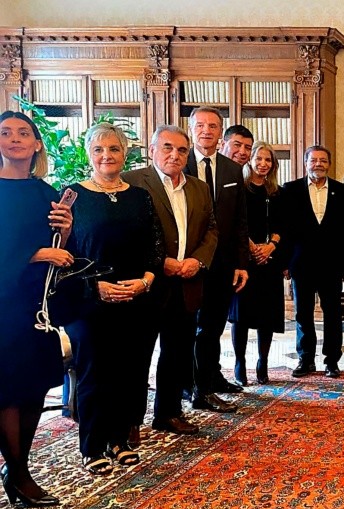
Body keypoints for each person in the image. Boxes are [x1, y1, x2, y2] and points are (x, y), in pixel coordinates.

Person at [64, 122, 162, 475]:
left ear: (125, 154)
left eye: (114, 149)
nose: (107, 155)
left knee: (130, 371)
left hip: (136, 298)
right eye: (99, 149)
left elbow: (155, 245)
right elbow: (66, 256)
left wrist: (146, 281)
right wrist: (95, 287)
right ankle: (92, 446)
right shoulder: (73, 195)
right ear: (89, 154)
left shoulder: (139, 195)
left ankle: (119, 439)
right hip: (90, 301)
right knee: (96, 372)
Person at [122, 125, 217, 436]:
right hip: (148, 284)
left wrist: (198, 261)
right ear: (152, 151)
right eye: (167, 147)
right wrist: (158, 261)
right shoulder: (133, 183)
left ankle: (169, 412)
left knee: (176, 352)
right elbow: (126, 235)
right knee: (138, 354)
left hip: (187, 283)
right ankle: (130, 419)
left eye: (181, 150)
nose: (174, 155)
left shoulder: (199, 188)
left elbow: (211, 231)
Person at [0, 110, 73, 508]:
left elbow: (61, 250)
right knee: (7, 390)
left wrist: (65, 228)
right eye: (6, 132)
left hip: (36, 306)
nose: (15, 139)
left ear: (36, 144)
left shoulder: (45, 191)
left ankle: (18, 464)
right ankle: (18, 472)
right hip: (2, 306)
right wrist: (35, 253)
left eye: (23, 133)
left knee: (33, 387)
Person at [184, 106, 248, 413]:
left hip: (222, 263)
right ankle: (186, 384)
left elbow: (239, 221)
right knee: (183, 328)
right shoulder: (177, 163)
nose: (206, 131)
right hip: (186, 262)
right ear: (191, 128)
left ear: (220, 133)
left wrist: (241, 263)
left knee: (211, 327)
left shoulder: (232, 170)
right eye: (200, 125)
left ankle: (205, 388)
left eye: (213, 126)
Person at [280, 146, 344, 378]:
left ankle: (331, 360)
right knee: (303, 314)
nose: (318, 164)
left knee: (332, 314)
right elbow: (285, 229)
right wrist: (285, 262)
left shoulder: (341, 191)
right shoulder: (290, 190)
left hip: (332, 264)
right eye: (314, 160)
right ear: (306, 163)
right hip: (301, 263)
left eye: (323, 160)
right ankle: (305, 358)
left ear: (329, 163)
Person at [228, 141, 284, 386]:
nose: (263, 164)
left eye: (268, 160)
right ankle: (240, 362)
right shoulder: (240, 189)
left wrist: (270, 245)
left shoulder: (277, 193)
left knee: (267, 315)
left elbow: (285, 226)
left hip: (270, 260)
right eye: (259, 159)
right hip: (244, 260)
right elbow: (235, 222)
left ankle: (263, 361)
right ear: (250, 160)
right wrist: (252, 247)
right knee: (241, 315)